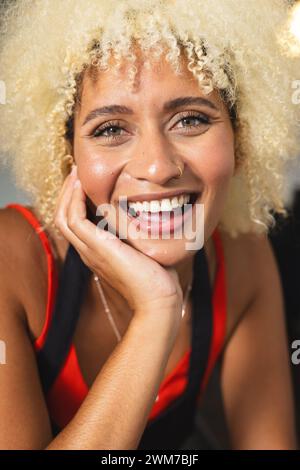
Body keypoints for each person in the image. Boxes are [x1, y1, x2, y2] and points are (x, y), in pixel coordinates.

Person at [0, 0, 299, 450]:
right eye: (110, 129)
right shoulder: (12, 260)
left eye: (191, 119)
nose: (158, 167)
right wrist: (157, 312)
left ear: (240, 140)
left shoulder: (241, 255)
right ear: (69, 158)